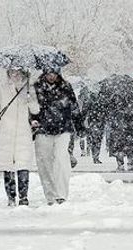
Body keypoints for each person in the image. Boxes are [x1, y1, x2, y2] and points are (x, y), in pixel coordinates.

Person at [0, 69, 40, 206]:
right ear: (8, 73)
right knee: (7, 165)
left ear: (24, 73)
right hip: (6, 132)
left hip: (23, 132)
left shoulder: (29, 88)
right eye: (12, 72)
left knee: (23, 164)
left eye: (18, 72)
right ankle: (11, 197)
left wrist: (30, 100)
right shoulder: (1, 88)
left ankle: (23, 197)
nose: (15, 75)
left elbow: (36, 110)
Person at [31, 67, 85, 205]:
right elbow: (30, 107)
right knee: (44, 164)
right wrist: (32, 120)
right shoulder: (36, 87)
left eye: (54, 73)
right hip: (42, 130)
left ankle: (61, 194)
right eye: (49, 73)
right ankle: (50, 195)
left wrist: (79, 126)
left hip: (63, 129)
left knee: (62, 160)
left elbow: (74, 107)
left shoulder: (66, 87)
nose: (51, 76)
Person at [105, 75, 133, 171]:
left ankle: (120, 165)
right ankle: (130, 164)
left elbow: (108, 109)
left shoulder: (114, 96)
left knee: (118, 145)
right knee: (130, 145)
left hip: (117, 123)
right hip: (129, 124)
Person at [83, 86, 107, 164]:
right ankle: (96, 156)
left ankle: (94, 155)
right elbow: (106, 110)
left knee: (94, 139)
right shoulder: (103, 99)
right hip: (99, 121)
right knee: (98, 140)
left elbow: (84, 111)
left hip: (93, 121)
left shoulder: (89, 100)